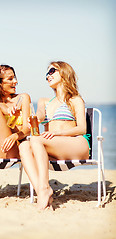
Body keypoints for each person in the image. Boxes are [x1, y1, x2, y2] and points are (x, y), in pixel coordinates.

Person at [19, 61, 90, 210]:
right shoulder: (45, 102)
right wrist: (34, 119)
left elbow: (82, 128)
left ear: (64, 73)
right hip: (54, 148)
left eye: (52, 71)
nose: (48, 75)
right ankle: (42, 191)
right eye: (47, 74)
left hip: (76, 144)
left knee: (37, 140)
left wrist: (58, 133)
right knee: (24, 146)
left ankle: (44, 188)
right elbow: (38, 115)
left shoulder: (75, 100)